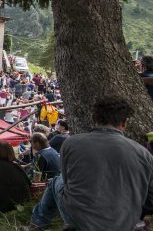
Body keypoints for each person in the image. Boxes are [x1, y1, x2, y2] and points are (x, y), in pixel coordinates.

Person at [27, 96, 153, 231]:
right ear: (124, 122)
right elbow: (150, 198)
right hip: (125, 222)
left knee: (56, 181)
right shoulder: (143, 154)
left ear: (94, 119)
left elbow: (68, 181)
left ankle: (37, 224)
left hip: (79, 220)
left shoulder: (71, 143)